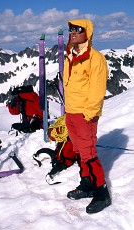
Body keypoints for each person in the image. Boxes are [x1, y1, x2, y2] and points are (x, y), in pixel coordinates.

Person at [63, 19, 111, 214]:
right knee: (79, 151)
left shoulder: (95, 58)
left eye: (77, 29)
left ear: (87, 33)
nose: (72, 32)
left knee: (88, 153)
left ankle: (102, 192)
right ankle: (87, 184)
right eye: (70, 29)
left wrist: (89, 114)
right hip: (71, 113)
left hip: (85, 115)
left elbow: (97, 89)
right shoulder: (71, 55)